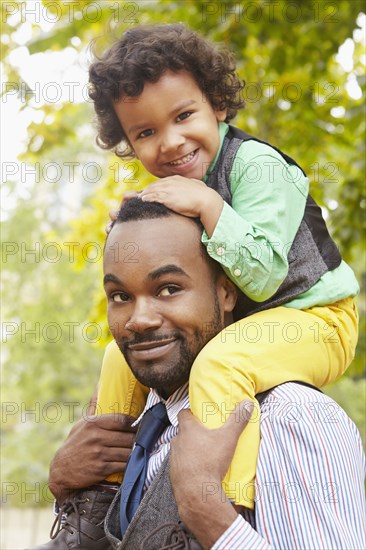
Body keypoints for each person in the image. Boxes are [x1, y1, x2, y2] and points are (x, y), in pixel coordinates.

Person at [87, 22, 359, 509]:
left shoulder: (257, 166)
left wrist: (208, 206)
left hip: (318, 320)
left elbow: (264, 275)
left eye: (183, 115)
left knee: (221, 363)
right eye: (146, 132)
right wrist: (138, 225)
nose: (170, 143)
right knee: (116, 358)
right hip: (247, 323)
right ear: (128, 141)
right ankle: (98, 498)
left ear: (217, 103)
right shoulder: (178, 185)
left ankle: (224, 504)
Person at [31, 199, 365, 549]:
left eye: (169, 289)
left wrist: (207, 510)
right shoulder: (134, 425)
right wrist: (66, 489)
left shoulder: (291, 419)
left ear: (226, 293)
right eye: (120, 295)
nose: (139, 318)